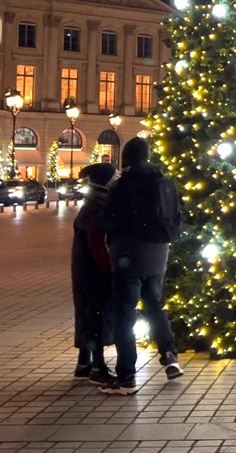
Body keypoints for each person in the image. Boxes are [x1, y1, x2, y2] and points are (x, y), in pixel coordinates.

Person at [100, 137, 184, 395]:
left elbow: (110, 220)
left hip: (129, 254)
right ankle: (169, 355)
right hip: (158, 253)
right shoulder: (164, 182)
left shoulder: (123, 185)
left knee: (124, 315)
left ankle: (126, 376)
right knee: (155, 306)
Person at [71, 162, 118, 385]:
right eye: (114, 174)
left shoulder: (93, 202)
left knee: (89, 315)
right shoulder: (99, 205)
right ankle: (98, 366)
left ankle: (83, 363)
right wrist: (109, 268)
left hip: (85, 271)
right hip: (93, 272)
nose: (117, 176)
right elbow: (97, 243)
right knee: (96, 317)